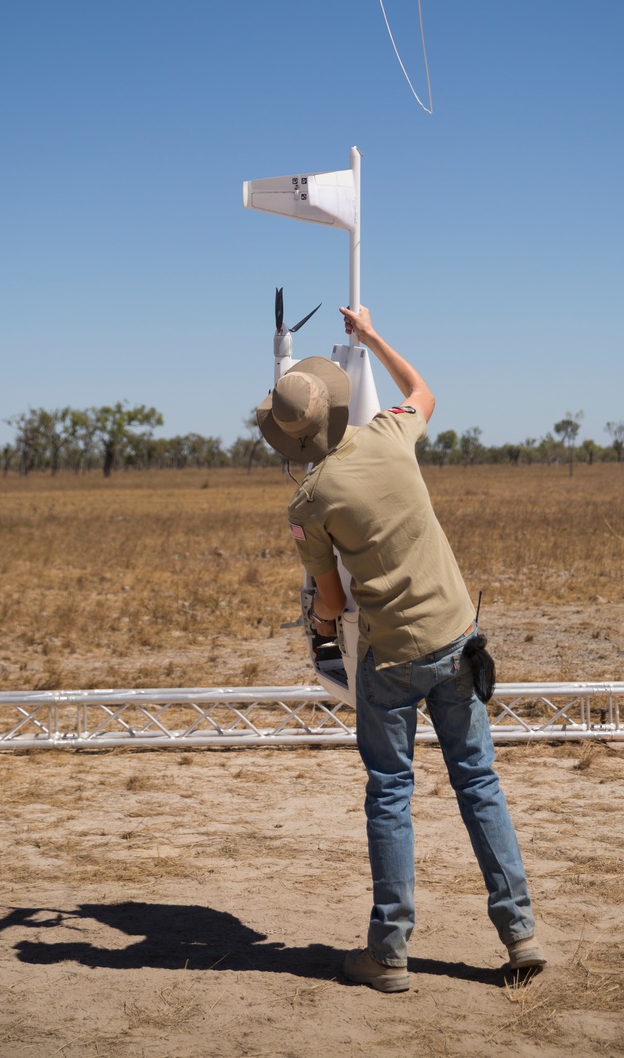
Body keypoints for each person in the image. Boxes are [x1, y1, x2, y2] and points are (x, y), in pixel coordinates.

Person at [256, 304, 544, 993]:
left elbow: (328, 600)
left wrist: (324, 631)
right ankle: (521, 932)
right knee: (479, 783)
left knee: (390, 793)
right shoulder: (389, 436)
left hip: (390, 660)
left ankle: (389, 954)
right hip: (456, 638)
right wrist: (374, 337)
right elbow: (426, 391)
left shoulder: (308, 503)